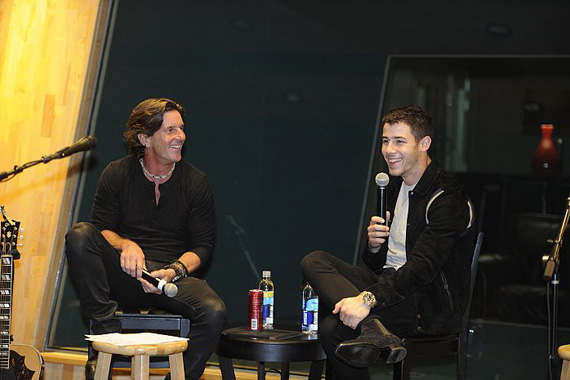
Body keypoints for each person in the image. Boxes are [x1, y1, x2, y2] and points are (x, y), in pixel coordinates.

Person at [301, 105, 475, 380]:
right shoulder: (393, 187)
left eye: (399, 141)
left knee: (334, 327)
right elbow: (375, 265)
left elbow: (421, 270)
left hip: (425, 305)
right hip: (389, 286)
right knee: (314, 261)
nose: (389, 150)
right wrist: (374, 246)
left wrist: (368, 299)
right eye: (385, 141)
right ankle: (372, 327)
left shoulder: (446, 199)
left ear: (424, 144)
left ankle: (370, 325)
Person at [65, 98, 226, 380]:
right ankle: (104, 332)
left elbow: (202, 247)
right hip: (126, 274)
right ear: (145, 138)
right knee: (79, 235)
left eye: (181, 129)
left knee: (214, 313)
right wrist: (126, 244)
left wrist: (174, 270)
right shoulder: (116, 173)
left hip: (170, 277)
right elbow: (101, 229)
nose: (181, 137)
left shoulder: (196, 182)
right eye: (170, 130)